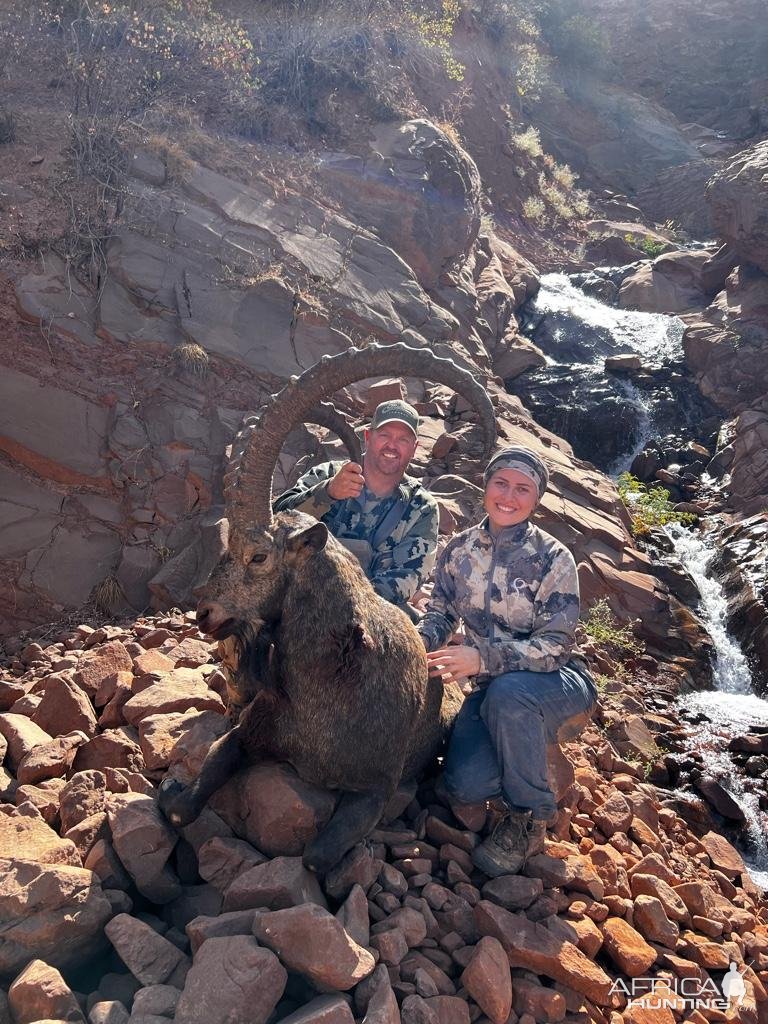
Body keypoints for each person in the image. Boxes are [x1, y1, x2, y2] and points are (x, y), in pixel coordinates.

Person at [418, 445, 597, 877]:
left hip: (557, 681)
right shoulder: (457, 550)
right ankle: (529, 747)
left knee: (508, 694)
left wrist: (481, 658)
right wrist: (418, 644)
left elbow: (555, 646)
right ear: (485, 487)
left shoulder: (554, 558)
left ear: (535, 500)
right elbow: (440, 611)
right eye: (501, 483)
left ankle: (530, 815)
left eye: (522, 489)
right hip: (491, 688)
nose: (508, 496)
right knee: (465, 783)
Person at [273, 398, 439, 616]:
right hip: (297, 599)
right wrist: (327, 493)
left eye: (403, 440)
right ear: (368, 437)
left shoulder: (422, 508)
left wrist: (346, 603)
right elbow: (275, 520)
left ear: (414, 448)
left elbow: (408, 577)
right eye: (385, 435)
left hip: (368, 611)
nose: (392, 445)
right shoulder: (327, 475)